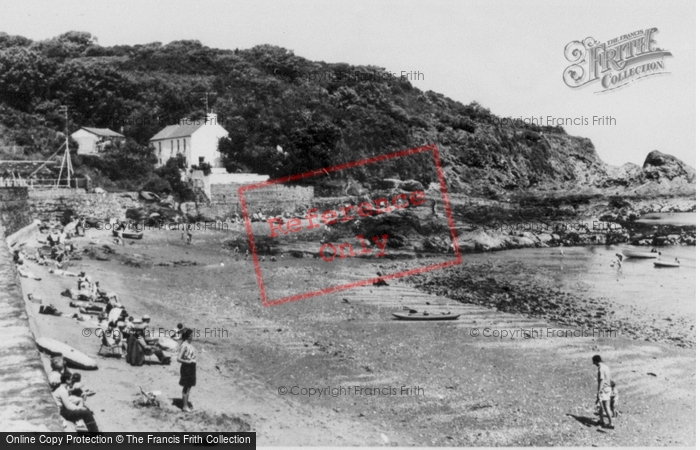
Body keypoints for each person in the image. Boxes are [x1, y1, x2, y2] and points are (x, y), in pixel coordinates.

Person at [177, 328, 197, 412]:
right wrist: (187, 362)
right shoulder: (184, 345)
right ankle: (184, 406)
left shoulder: (189, 344)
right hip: (186, 367)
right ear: (187, 336)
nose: (192, 337)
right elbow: (178, 358)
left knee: (189, 386)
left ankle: (185, 403)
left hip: (191, 367)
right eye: (191, 335)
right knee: (186, 387)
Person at [593, 355, 614, 429]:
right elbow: (610, 378)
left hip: (603, 389)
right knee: (604, 406)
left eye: (594, 363)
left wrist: (599, 391)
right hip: (608, 388)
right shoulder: (606, 367)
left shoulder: (601, 369)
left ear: (595, 361)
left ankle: (611, 423)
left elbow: (601, 380)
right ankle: (602, 420)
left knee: (603, 406)